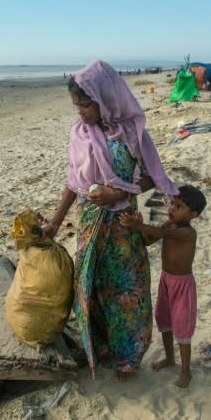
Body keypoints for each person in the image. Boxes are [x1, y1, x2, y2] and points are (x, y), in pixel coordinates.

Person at [43, 60, 179, 380]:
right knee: (90, 287)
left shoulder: (131, 132)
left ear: (103, 99)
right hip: (90, 223)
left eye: (86, 105)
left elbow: (150, 178)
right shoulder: (80, 134)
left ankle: (128, 357)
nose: (81, 112)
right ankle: (101, 348)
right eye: (76, 106)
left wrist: (119, 194)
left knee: (127, 290)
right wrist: (54, 222)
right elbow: (73, 183)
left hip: (123, 225)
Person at [119, 184, 206, 388]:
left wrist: (139, 226)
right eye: (173, 204)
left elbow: (162, 234)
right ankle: (169, 358)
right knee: (165, 320)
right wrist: (140, 227)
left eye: (179, 207)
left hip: (182, 286)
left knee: (182, 328)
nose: (172, 209)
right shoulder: (169, 225)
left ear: (193, 214)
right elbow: (150, 239)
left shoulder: (187, 233)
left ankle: (186, 371)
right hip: (166, 280)